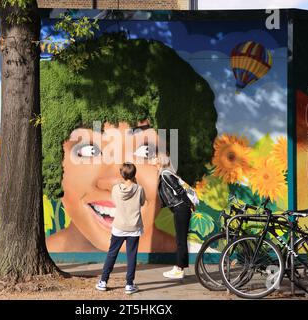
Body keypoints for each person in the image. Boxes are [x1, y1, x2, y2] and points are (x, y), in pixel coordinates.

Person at [41, 32, 217, 253]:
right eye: (89, 149)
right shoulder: (29, 257)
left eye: (146, 150)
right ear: (51, 161)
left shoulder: (205, 259)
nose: (115, 180)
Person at [95, 162, 145, 294]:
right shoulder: (139, 189)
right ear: (134, 174)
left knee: (112, 254)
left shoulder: (116, 189)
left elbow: (115, 202)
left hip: (119, 227)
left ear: (122, 175)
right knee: (131, 256)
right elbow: (142, 202)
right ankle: (129, 284)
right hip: (134, 227)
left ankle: (103, 281)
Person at [152, 154, 194, 279]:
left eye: (154, 157)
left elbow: (179, 190)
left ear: (159, 161)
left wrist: (189, 204)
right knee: (180, 239)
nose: (152, 159)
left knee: (180, 240)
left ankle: (179, 269)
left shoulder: (166, 174)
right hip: (180, 208)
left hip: (181, 207)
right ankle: (179, 267)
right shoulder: (165, 173)